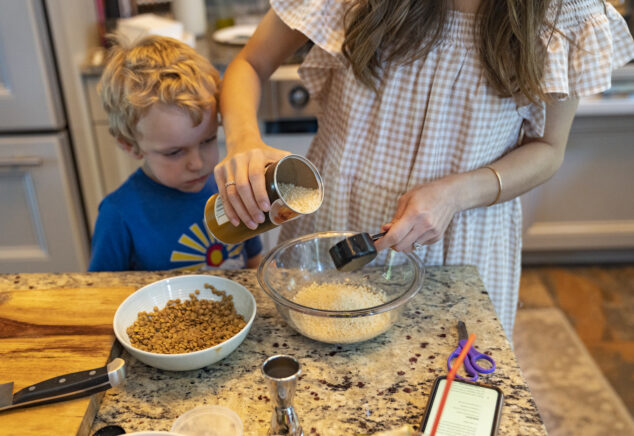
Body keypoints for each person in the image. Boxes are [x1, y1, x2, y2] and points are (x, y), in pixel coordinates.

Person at [214, 0, 634, 339]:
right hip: (331, 224)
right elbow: (249, 64)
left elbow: (548, 149)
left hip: (461, 246)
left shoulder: (564, 12)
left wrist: (456, 192)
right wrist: (243, 140)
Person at [89, 35, 262, 272]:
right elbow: (100, 293)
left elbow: (254, 263)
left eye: (208, 140)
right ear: (130, 145)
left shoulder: (232, 188)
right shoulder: (118, 216)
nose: (198, 163)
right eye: (174, 152)